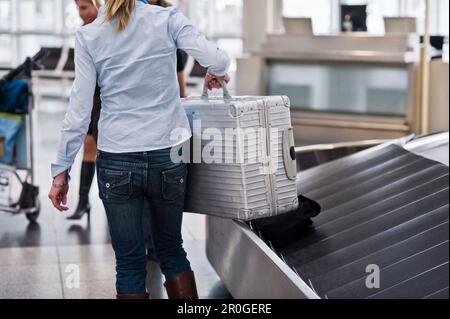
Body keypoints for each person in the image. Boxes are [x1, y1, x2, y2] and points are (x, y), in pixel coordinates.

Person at [48, 0, 230, 300]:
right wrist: (214, 71)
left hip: (117, 158)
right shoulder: (167, 19)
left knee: (129, 264)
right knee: (172, 250)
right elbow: (219, 60)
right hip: (168, 154)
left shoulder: (89, 36)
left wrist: (61, 171)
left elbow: (79, 114)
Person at [66, 0, 102, 221]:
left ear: (98, 4)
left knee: (104, 148)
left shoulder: (108, 30)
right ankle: (82, 201)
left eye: (84, 8)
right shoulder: (85, 33)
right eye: (78, 8)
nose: (80, 14)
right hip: (92, 98)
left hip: (106, 99)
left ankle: (116, 201)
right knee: (88, 146)